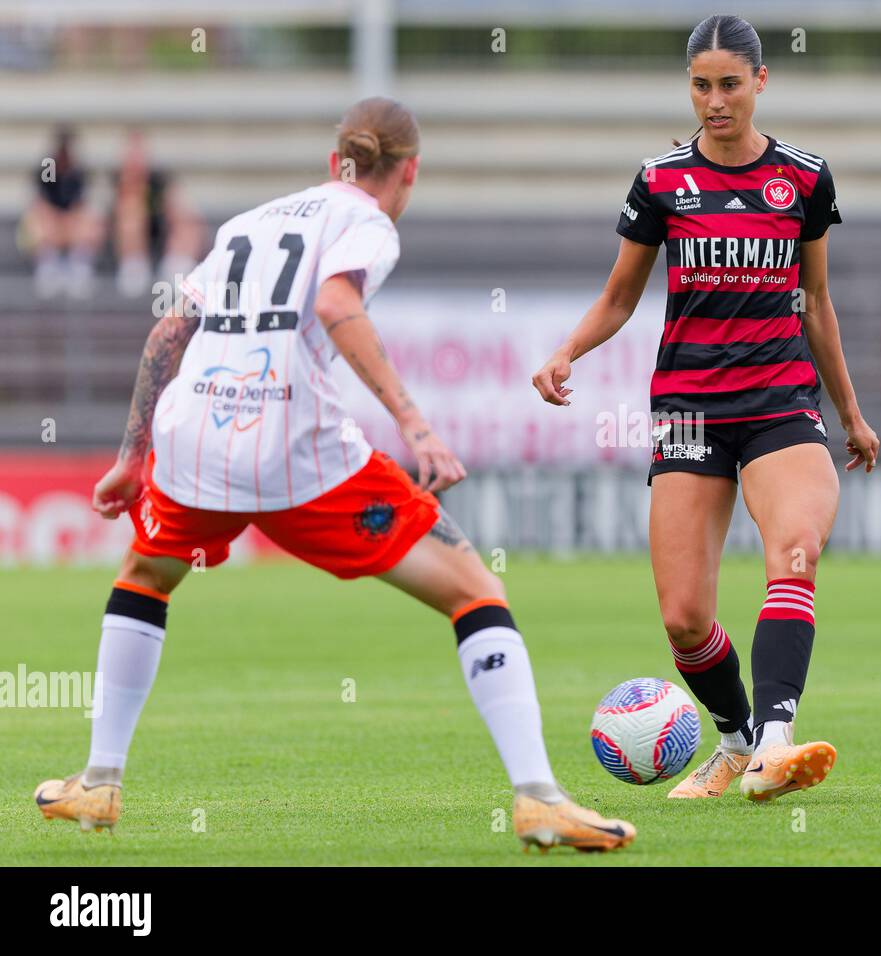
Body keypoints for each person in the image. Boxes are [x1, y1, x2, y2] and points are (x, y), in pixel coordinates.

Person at [34, 97, 634, 854]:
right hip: (294, 447)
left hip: (193, 443)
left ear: (334, 162)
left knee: (144, 577)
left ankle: (99, 780)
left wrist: (130, 455)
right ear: (409, 172)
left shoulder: (248, 223)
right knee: (475, 590)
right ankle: (539, 797)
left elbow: (168, 331)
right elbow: (334, 298)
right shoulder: (367, 223)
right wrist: (415, 425)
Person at [532, 16, 880, 802]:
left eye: (729, 84)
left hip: (780, 403)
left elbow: (817, 303)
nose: (715, 100)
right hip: (689, 409)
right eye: (700, 85)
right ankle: (735, 743)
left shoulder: (804, 178)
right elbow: (620, 297)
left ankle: (777, 742)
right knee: (686, 618)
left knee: (795, 547)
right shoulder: (660, 181)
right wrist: (565, 353)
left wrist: (850, 413)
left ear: (761, 82)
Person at [111, 128, 206, 297]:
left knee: (186, 218)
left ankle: (177, 264)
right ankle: (134, 266)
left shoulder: (159, 181)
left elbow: (180, 208)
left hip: (160, 234)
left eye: (140, 154)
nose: (136, 160)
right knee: (131, 214)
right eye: (132, 155)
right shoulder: (118, 180)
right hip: (126, 241)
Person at [25, 126, 103, 300]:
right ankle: (49, 263)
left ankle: (79, 264)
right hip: (52, 222)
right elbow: (42, 202)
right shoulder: (48, 169)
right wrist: (56, 220)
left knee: (90, 221)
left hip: (71, 223)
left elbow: (81, 204)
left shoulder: (78, 172)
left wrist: (68, 221)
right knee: (39, 220)